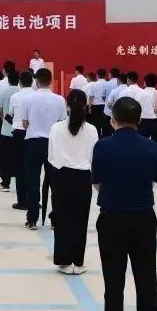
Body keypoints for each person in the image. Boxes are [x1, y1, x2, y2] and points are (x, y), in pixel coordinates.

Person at [91, 96, 157, 311]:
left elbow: (97, 182)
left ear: (113, 120)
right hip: (144, 216)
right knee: (146, 277)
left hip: (113, 218)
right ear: (140, 120)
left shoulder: (104, 146)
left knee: (114, 279)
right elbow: (154, 179)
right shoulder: (150, 147)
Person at [48, 89, 98, 274]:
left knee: (62, 220)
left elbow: (51, 155)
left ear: (67, 105)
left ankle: (63, 261)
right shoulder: (92, 130)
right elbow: (94, 157)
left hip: (60, 176)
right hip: (83, 178)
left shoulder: (56, 128)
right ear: (86, 105)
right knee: (80, 220)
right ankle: (78, 262)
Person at [17, 68, 68, 230]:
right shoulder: (59, 100)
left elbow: (24, 124)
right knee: (55, 183)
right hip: (53, 143)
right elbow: (62, 122)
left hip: (33, 143)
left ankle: (32, 219)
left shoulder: (28, 99)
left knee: (32, 181)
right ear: (51, 81)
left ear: (36, 81)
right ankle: (55, 219)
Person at [6, 71, 35, 209]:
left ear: (20, 82)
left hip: (18, 134)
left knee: (20, 169)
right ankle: (34, 200)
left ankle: (22, 201)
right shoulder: (36, 96)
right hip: (34, 135)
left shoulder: (15, 96)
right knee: (34, 170)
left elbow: (9, 114)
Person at [0, 71, 21, 193]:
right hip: (21, 130)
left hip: (6, 130)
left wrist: (4, 121)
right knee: (20, 157)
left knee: (5, 158)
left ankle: (5, 183)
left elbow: (0, 110)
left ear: (9, 80)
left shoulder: (3, 92)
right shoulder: (22, 93)